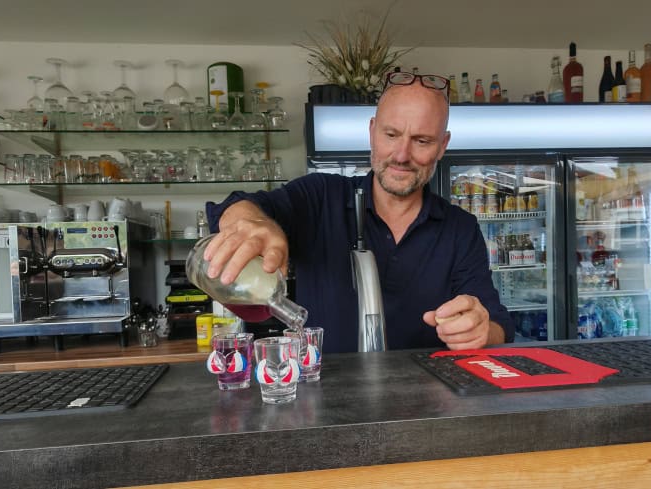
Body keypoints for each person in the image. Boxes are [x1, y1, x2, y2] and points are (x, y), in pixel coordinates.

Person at [204, 71, 514, 353]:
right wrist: (252, 222)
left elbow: (498, 324)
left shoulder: (459, 228)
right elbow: (237, 205)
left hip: (426, 405)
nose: (402, 155)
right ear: (372, 132)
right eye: (391, 135)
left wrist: (481, 330)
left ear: (442, 146)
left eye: (422, 140)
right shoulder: (319, 196)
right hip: (325, 402)